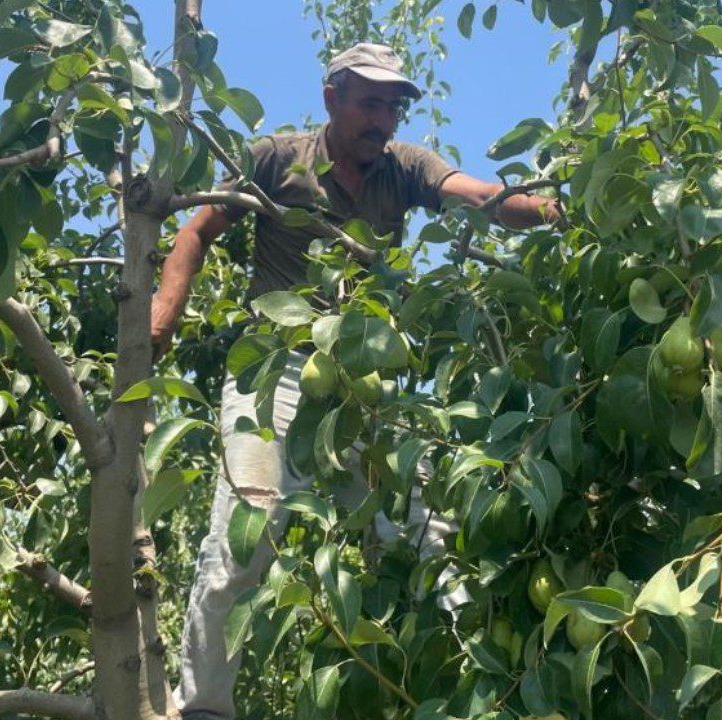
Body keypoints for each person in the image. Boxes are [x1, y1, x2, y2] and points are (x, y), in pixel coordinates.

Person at [151, 42, 562, 719]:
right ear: (331, 97)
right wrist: (161, 317)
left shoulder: (405, 169)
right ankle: (202, 708)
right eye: (371, 103)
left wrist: (552, 210)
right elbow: (197, 232)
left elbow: (482, 198)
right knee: (245, 534)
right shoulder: (276, 159)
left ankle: (475, 694)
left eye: (394, 106)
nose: (384, 119)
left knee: (426, 532)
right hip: (274, 374)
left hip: (363, 386)